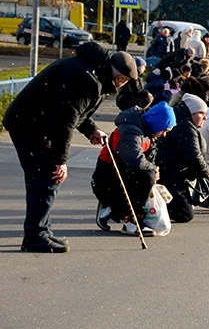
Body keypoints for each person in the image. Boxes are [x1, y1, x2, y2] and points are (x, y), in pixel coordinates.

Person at [3, 42, 139, 253]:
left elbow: (74, 111)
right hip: (29, 124)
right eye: (125, 81)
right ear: (119, 77)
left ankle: (41, 231)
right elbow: (65, 121)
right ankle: (35, 236)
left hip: (31, 121)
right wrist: (61, 161)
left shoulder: (93, 72)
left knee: (42, 178)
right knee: (48, 176)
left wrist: (92, 130)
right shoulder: (88, 79)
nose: (123, 86)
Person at [92, 101, 176, 234]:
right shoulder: (130, 132)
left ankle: (111, 208)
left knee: (148, 175)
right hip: (107, 177)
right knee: (146, 176)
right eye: (165, 129)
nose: (164, 134)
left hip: (121, 172)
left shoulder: (146, 131)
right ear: (158, 122)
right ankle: (130, 220)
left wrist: (153, 170)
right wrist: (153, 169)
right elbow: (135, 162)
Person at [157, 94, 209, 223]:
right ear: (191, 112)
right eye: (201, 113)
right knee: (185, 215)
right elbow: (193, 155)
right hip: (171, 176)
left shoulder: (185, 123)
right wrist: (206, 171)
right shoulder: (184, 127)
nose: (205, 117)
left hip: (174, 174)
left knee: (186, 212)